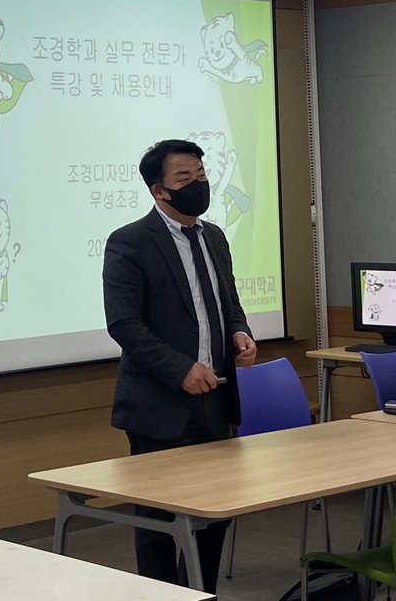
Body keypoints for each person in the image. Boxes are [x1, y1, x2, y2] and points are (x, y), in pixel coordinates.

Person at [102, 138, 257, 590]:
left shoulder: (215, 237)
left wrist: (240, 333)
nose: (198, 185)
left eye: (201, 176)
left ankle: (201, 593)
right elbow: (124, 324)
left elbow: (229, 304)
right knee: (158, 518)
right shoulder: (130, 242)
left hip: (216, 400)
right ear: (159, 190)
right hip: (159, 405)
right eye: (184, 178)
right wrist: (179, 369)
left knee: (214, 512)